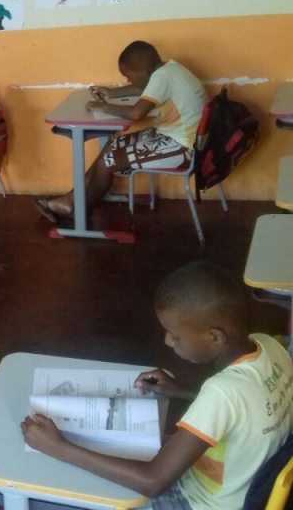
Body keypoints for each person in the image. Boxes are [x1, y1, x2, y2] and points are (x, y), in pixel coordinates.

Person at [21, 261, 293, 509]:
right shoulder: (270, 346)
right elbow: (246, 407)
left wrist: (59, 448)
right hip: (237, 487)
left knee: (54, 493)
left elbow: (153, 482)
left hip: (195, 503)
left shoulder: (221, 393)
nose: (167, 341)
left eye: (175, 335)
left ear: (215, 337)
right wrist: (181, 391)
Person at [35, 41, 207, 223]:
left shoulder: (162, 77)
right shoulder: (170, 69)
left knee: (107, 162)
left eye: (128, 76)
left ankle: (78, 211)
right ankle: (70, 200)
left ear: (144, 71)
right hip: (179, 137)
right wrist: (111, 93)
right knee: (112, 145)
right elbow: (143, 87)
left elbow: (135, 113)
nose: (128, 81)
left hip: (184, 148)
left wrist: (103, 107)